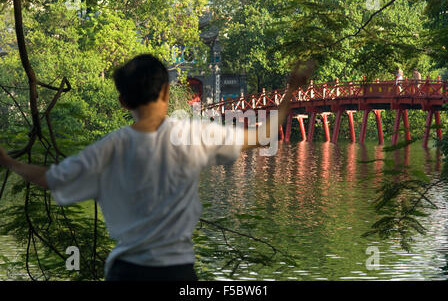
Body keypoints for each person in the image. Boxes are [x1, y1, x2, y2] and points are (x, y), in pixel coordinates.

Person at [0, 54, 314, 281]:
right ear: (165, 91)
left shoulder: (107, 148)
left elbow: (50, 179)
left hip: (125, 272)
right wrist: (291, 90)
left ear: (123, 102)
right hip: (178, 273)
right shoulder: (194, 134)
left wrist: (8, 160)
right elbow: (265, 135)